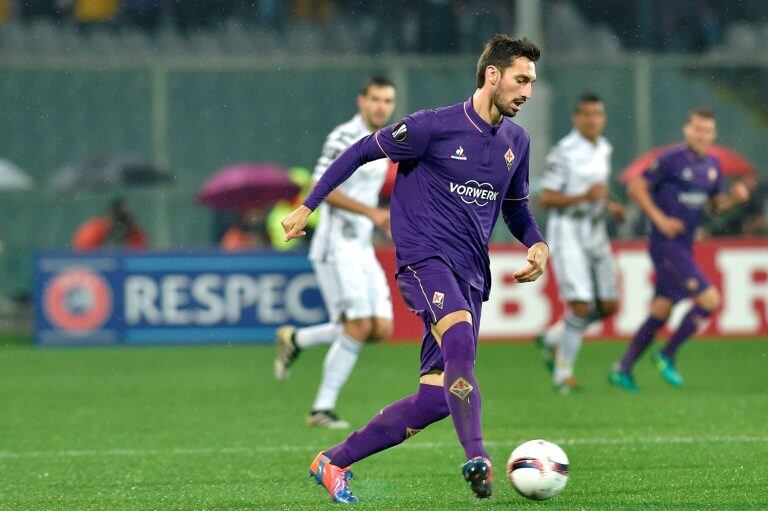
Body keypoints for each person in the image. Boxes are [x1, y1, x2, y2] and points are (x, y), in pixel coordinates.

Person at [281, 35, 548, 503]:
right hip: (423, 262)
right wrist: (308, 207)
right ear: (493, 75)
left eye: (531, 82)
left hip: (470, 274)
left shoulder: (516, 142)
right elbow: (361, 150)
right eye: (521, 80)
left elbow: (517, 209)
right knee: (460, 340)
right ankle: (477, 456)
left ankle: (332, 461)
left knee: (433, 399)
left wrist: (537, 243)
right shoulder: (433, 127)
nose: (527, 91)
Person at [273, 76, 397, 429]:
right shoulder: (343, 137)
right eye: (375, 99)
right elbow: (320, 186)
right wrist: (372, 214)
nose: (381, 107)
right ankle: (321, 409)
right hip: (335, 246)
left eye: (387, 101)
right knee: (356, 325)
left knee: (381, 329)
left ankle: (296, 339)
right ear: (361, 101)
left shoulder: (385, 142)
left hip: (361, 246)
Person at [609, 108, 749, 391]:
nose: (702, 135)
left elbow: (714, 205)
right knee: (710, 300)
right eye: (697, 128)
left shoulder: (713, 165)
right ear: (687, 130)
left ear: (714, 134)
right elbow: (637, 187)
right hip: (666, 246)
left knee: (662, 308)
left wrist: (734, 199)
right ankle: (666, 354)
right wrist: (660, 220)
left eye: (707, 130)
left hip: (685, 245)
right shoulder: (671, 160)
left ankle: (622, 368)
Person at [535, 93, 625, 393]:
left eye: (598, 114)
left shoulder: (604, 148)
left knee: (608, 305)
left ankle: (551, 339)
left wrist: (611, 205)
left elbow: (598, 190)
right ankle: (563, 375)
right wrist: (583, 197)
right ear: (576, 118)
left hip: (595, 231)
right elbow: (545, 198)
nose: (593, 119)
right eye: (586, 114)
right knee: (582, 305)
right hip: (568, 230)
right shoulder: (563, 152)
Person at [72, 198, 148, 251]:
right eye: (118, 216)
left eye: (124, 216)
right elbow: (83, 253)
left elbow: (140, 253)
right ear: (110, 214)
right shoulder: (95, 228)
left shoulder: (132, 230)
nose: (120, 220)